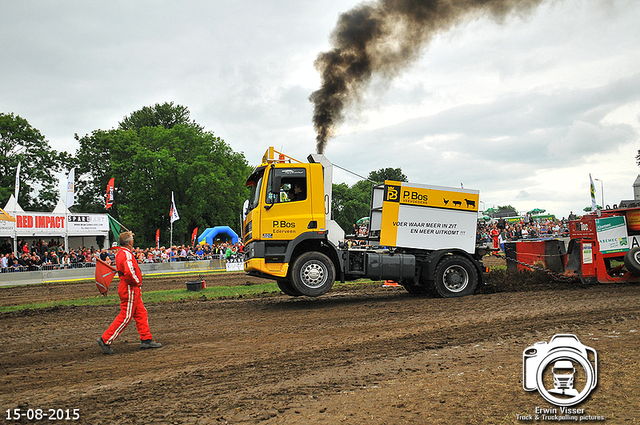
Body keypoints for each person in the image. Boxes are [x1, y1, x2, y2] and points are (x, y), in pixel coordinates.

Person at [97, 231, 162, 354]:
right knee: (126, 316)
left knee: (141, 313)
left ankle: (146, 339)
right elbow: (129, 272)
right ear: (130, 242)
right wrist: (137, 282)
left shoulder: (121, 253)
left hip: (129, 287)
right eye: (132, 239)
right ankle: (105, 339)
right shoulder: (126, 254)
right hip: (130, 288)